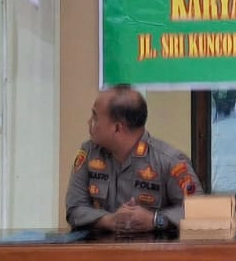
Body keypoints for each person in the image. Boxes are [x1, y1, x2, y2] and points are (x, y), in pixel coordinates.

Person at [65, 85, 200, 234]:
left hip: (154, 247)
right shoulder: (89, 152)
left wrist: (155, 220)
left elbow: (199, 210)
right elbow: (74, 209)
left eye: (95, 117)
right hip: (100, 246)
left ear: (117, 128)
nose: (89, 122)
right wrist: (108, 221)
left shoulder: (170, 161)